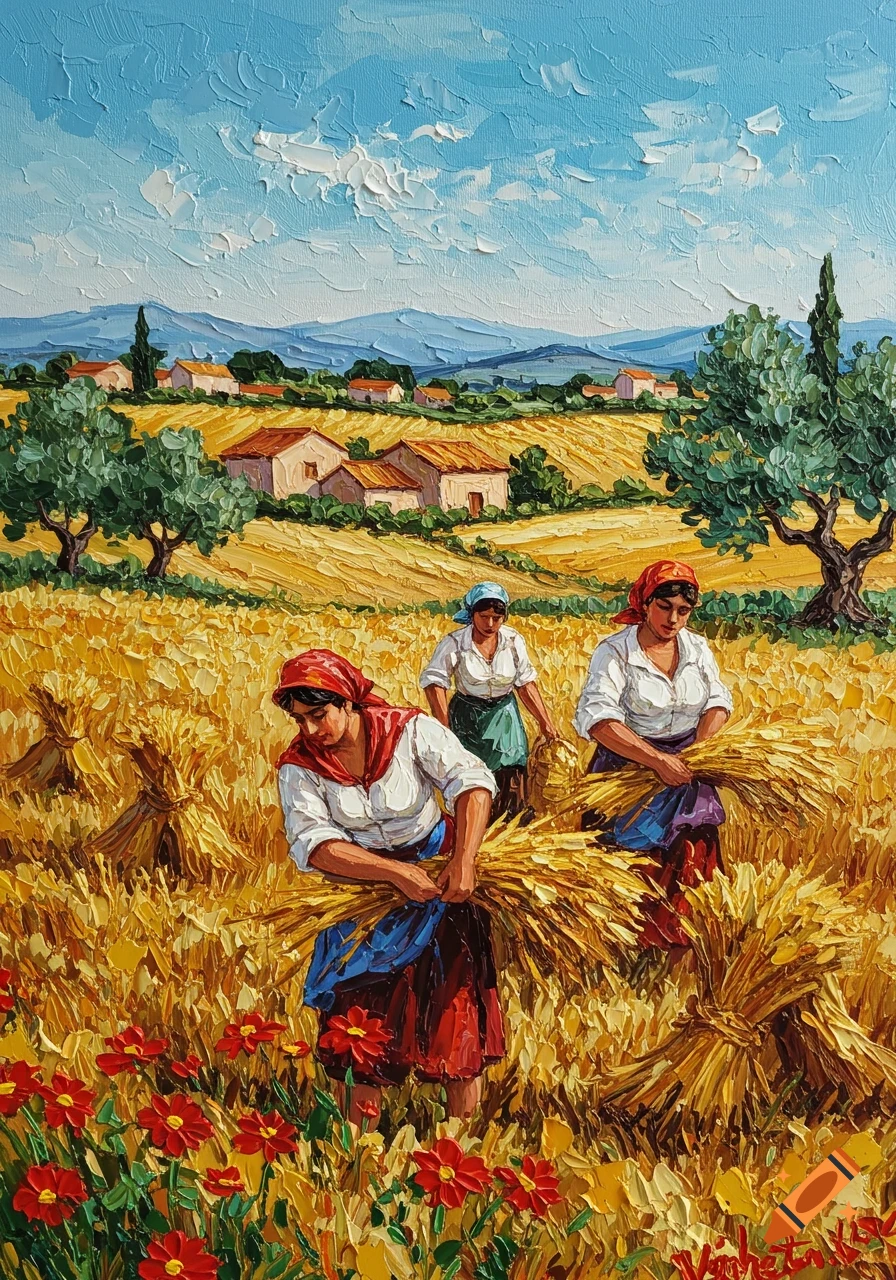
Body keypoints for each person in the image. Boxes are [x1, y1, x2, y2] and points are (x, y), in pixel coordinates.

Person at [274, 649, 504, 1126]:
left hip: (440, 887)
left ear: (348, 703)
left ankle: (464, 1140)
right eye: (300, 720)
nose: (310, 730)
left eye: (319, 715)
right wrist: (393, 874)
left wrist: (463, 860)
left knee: (452, 1016)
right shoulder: (298, 766)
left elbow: (472, 782)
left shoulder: (409, 731)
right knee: (360, 1022)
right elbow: (316, 845)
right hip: (365, 902)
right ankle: (358, 1146)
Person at [573, 560, 733, 952]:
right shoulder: (615, 651)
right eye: (665, 607)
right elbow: (600, 720)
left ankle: (682, 949)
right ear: (644, 604)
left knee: (692, 851)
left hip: (689, 766)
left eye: (684, 610)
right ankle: (631, 949)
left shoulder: (696, 648)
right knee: (637, 861)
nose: (673, 619)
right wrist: (657, 761)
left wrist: (698, 751)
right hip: (628, 767)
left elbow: (717, 701)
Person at [420, 582, 559, 822]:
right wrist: (444, 727)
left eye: (497, 618)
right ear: (472, 614)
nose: (491, 624)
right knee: (471, 774)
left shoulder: (513, 641)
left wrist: (545, 722)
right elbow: (435, 683)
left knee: (512, 771)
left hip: (505, 716)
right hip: (468, 716)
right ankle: (476, 826)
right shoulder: (455, 643)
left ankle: (511, 824)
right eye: (484, 617)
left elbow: (525, 684)